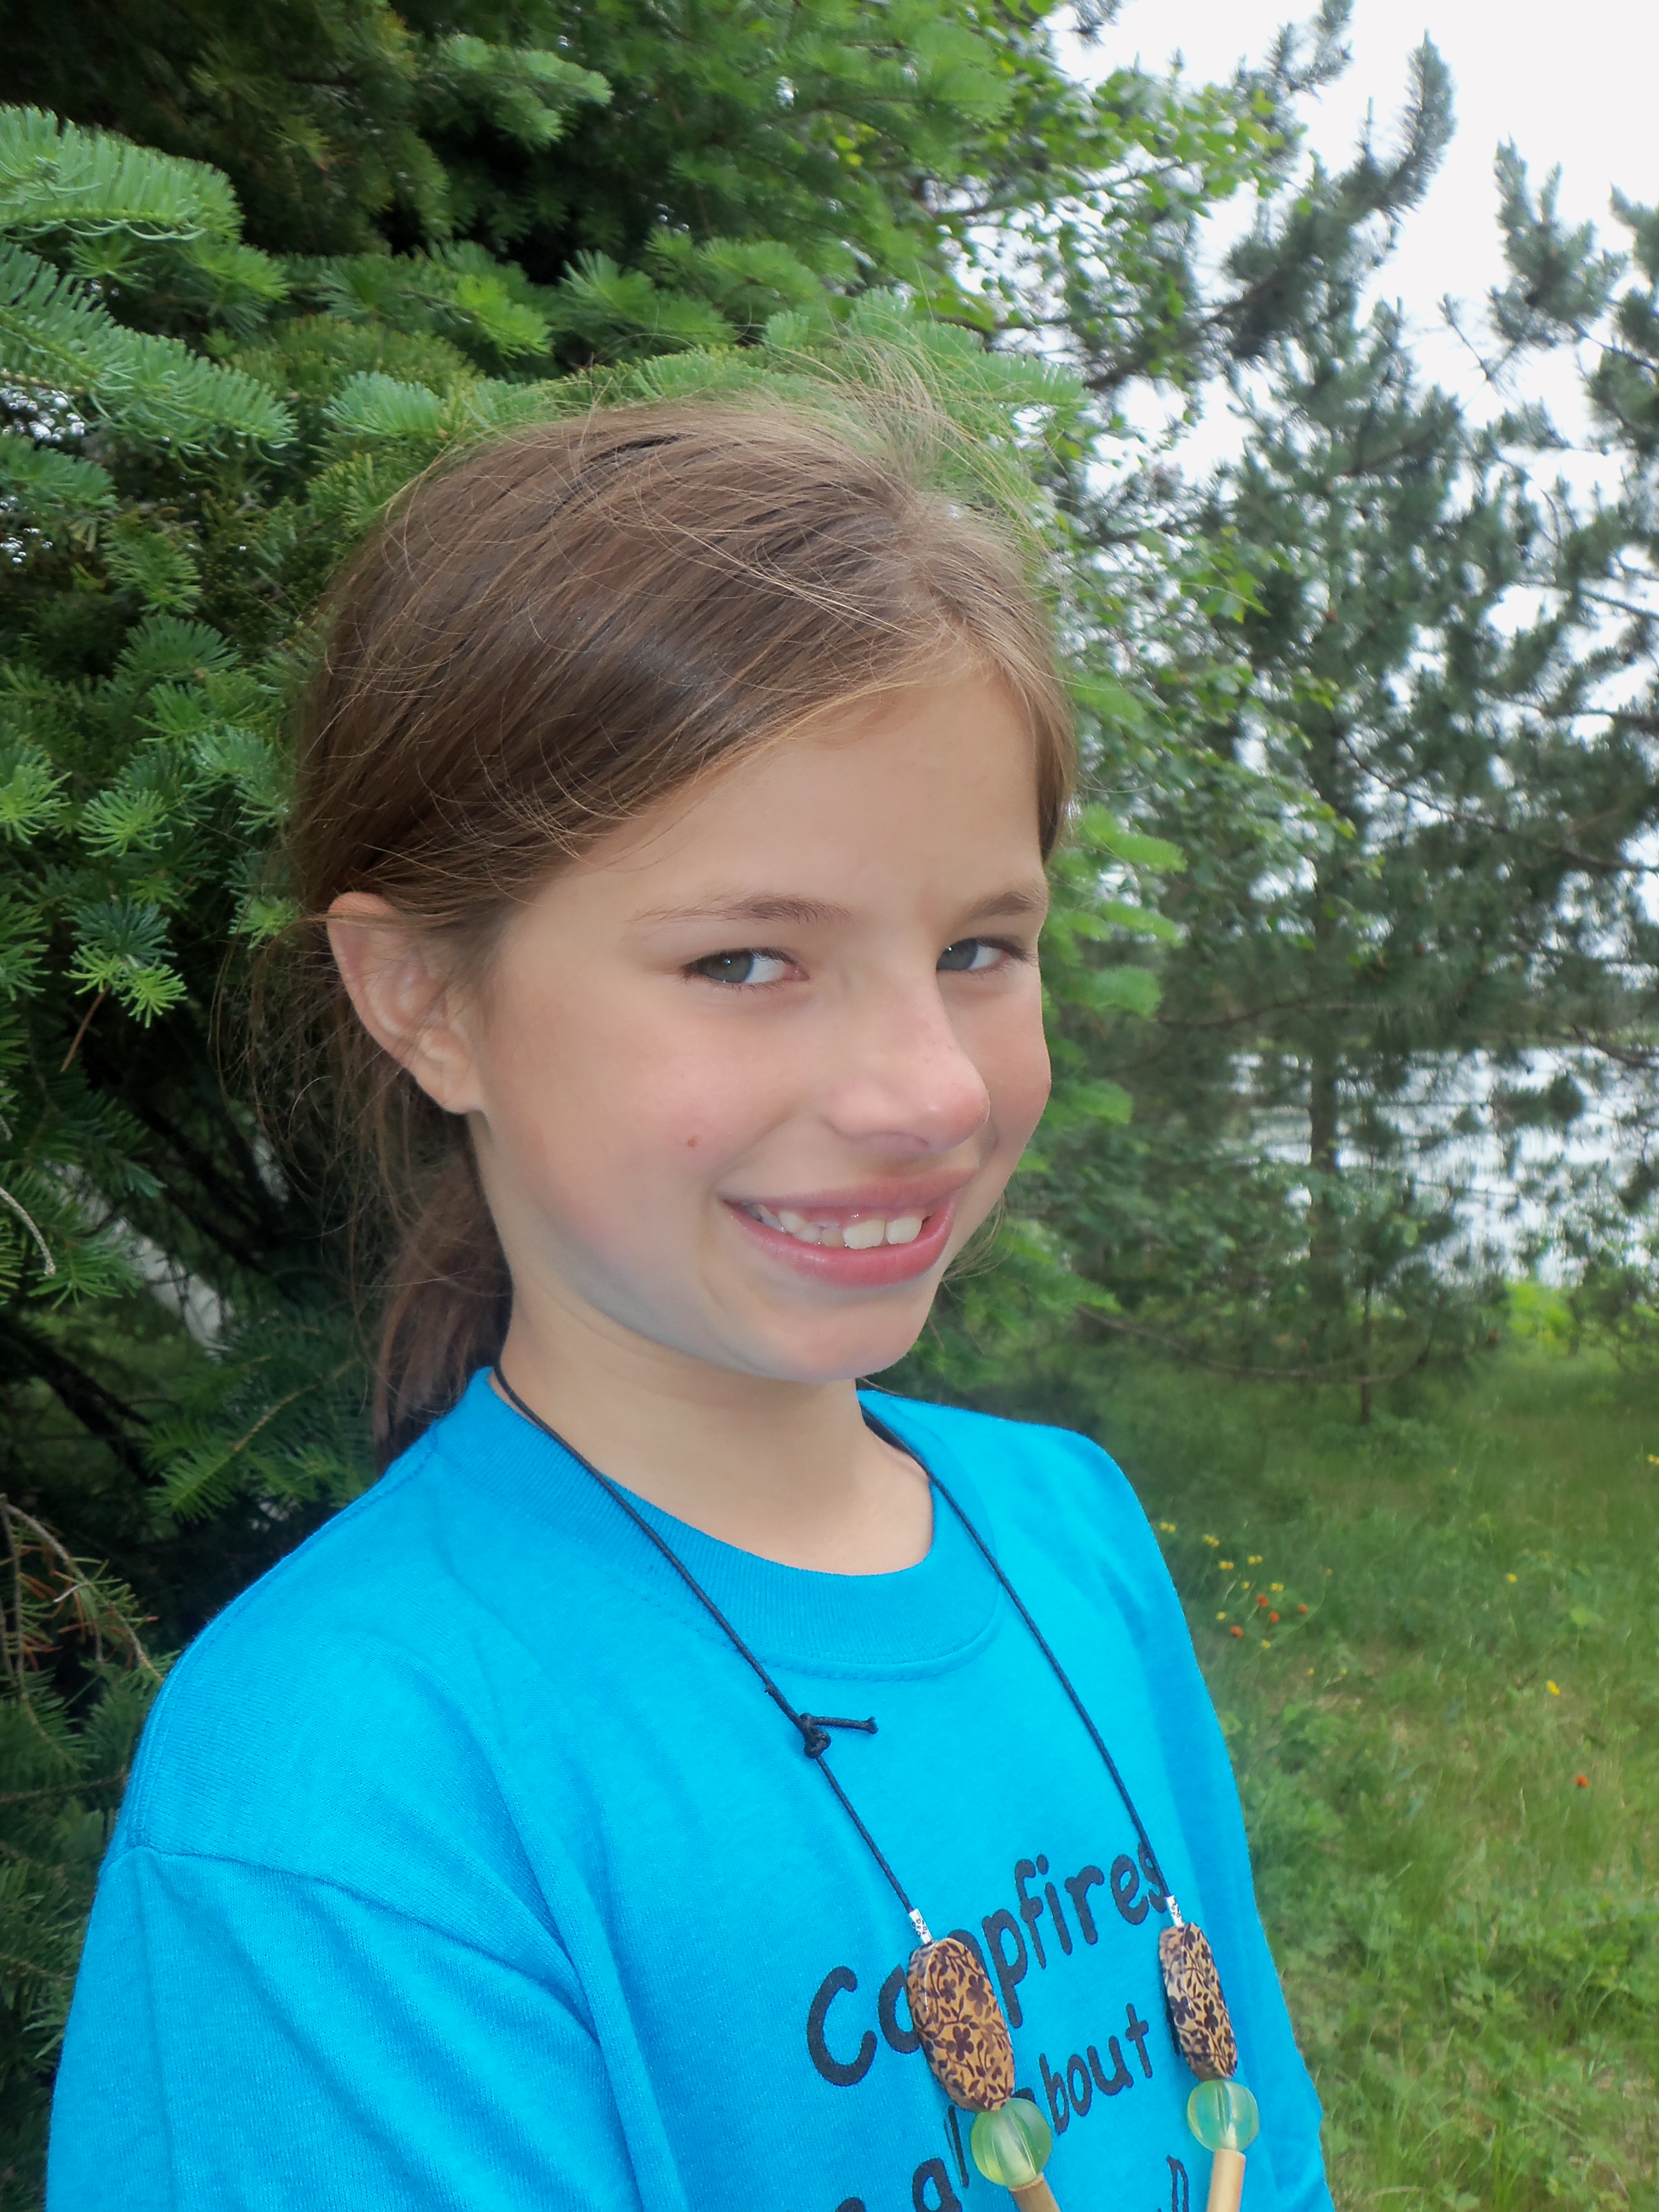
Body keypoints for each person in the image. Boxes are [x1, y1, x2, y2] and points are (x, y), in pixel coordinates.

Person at [48, 398, 1332, 2212]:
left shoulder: (1073, 1533)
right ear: (426, 999)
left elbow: (1260, 2143)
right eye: (747, 959)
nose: (932, 1093)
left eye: (981, 947)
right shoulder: (343, 1787)